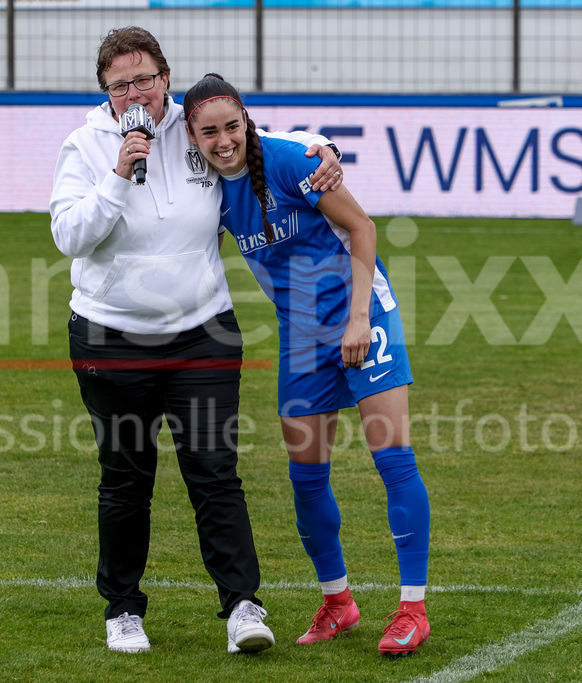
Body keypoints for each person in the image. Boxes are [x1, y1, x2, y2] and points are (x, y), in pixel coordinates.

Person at [48, 27, 343, 655]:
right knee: (126, 477)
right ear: (105, 91)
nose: (136, 93)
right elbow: (70, 237)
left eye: (146, 79)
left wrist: (323, 147)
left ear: (165, 79)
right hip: (111, 338)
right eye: (120, 84)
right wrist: (118, 177)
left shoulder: (194, 125)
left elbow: (265, 140)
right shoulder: (85, 146)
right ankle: (123, 610)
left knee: (214, 472)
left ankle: (241, 607)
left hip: (202, 332)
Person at [183, 74, 432, 655]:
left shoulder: (295, 160)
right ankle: (338, 603)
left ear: (247, 120)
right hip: (301, 336)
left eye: (231, 126)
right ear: (193, 136)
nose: (223, 141)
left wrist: (355, 319)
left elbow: (362, 228)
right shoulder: (210, 190)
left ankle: (412, 609)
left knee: (393, 459)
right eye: (209, 131)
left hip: (362, 314)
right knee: (306, 477)